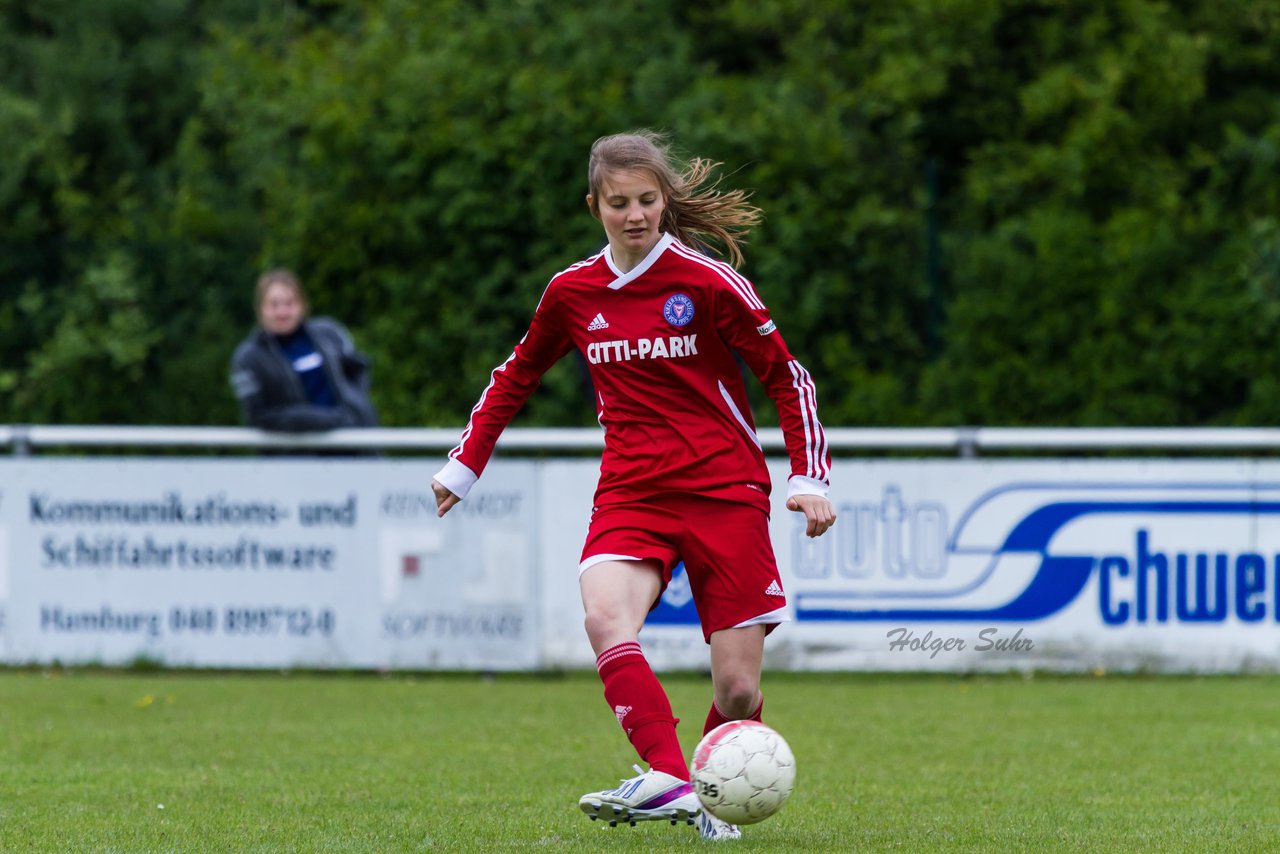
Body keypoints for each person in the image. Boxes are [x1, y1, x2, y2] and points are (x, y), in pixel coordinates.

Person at [430, 130, 835, 841]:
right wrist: (464, 465)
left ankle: (703, 797)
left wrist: (807, 477)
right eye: (619, 203)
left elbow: (784, 375)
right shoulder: (572, 292)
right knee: (604, 618)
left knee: (738, 691)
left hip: (724, 488)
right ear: (595, 206)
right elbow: (515, 375)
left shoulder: (708, 282)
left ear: (665, 200)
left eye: (648, 200)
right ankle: (675, 782)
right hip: (632, 491)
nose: (636, 215)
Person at [229, 268, 379, 431]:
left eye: (289, 303)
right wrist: (319, 420)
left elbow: (357, 372)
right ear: (260, 309)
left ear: (301, 305)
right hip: (296, 452)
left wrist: (356, 409)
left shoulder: (329, 334)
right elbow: (258, 415)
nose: (282, 312)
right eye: (274, 305)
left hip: (351, 445)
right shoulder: (248, 357)